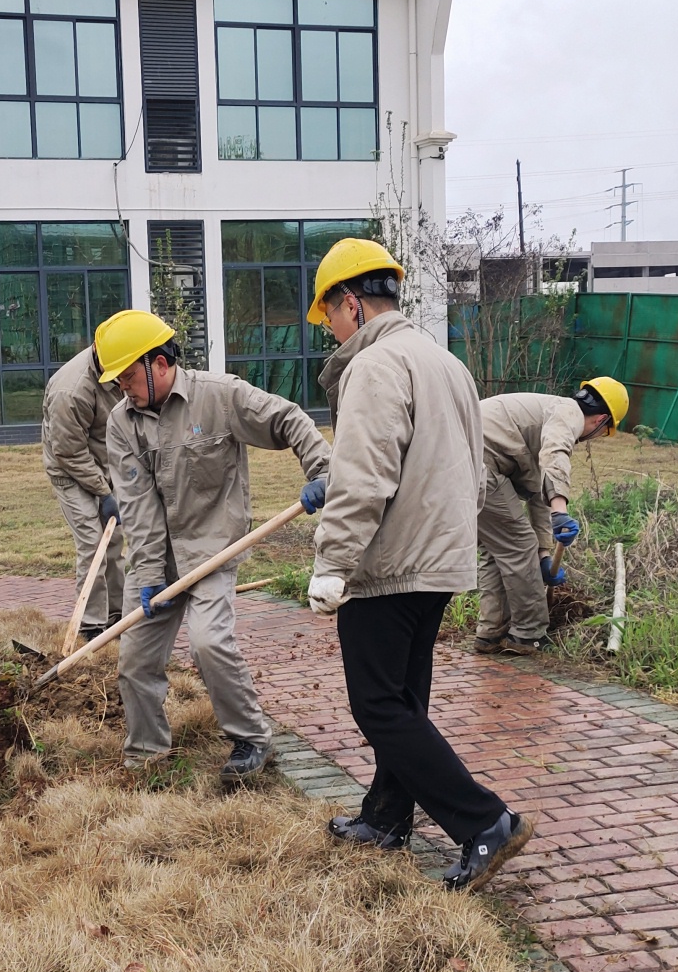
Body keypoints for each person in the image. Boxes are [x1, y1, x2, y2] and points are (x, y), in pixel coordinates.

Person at [304, 238, 534, 892]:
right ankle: (386, 816)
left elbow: (364, 473)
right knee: (404, 700)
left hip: (392, 562)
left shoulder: (375, 366)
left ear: (351, 303)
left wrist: (334, 561)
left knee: (378, 705)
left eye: (331, 316)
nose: (333, 331)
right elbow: (471, 469)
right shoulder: (446, 362)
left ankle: (484, 821)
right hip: (442, 558)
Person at [100, 309, 331, 781]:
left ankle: (252, 739)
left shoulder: (219, 396)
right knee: (135, 659)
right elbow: (137, 506)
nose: (123, 388)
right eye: (117, 379)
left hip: (212, 547)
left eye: (127, 376)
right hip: (156, 557)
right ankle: (146, 754)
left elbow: (288, 419)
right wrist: (149, 575)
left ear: (159, 363)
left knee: (208, 643)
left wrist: (322, 470)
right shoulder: (122, 423)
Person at [474, 381, 629, 655]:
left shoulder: (542, 417)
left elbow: (537, 492)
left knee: (497, 548)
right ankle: (528, 635)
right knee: (519, 546)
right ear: (601, 420)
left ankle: (492, 631)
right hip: (478, 464)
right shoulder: (568, 412)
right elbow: (555, 454)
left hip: (458, 461)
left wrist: (544, 553)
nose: (596, 437)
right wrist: (560, 512)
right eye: (604, 432)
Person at [42, 338, 124, 643]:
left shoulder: (119, 367)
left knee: (113, 540)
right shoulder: (71, 390)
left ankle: (118, 615)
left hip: (103, 465)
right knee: (93, 544)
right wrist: (104, 493)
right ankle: (91, 626)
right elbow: (69, 452)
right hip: (70, 472)